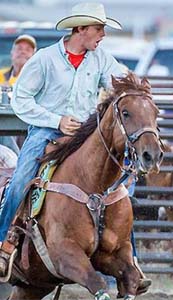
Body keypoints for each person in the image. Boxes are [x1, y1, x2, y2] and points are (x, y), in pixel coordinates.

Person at [0, 2, 150, 292]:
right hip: (47, 131)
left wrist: (137, 89)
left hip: (86, 133)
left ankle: (130, 260)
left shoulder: (102, 59)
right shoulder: (45, 59)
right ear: (80, 29)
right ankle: (5, 241)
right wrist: (55, 120)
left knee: (120, 190)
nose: (103, 34)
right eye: (98, 28)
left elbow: (120, 81)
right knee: (21, 178)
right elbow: (21, 98)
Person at [0, 34, 37, 154]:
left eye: (28, 50)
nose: (23, 52)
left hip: (26, 124)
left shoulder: (38, 79)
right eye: (19, 49)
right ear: (12, 53)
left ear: (34, 56)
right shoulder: (1, 75)